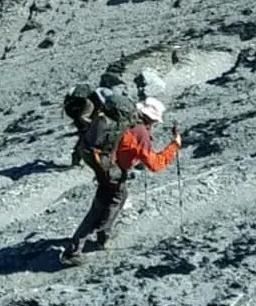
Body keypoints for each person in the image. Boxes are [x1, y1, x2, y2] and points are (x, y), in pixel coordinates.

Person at [61, 95, 180, 265]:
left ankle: (103, 235)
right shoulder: (141, 133)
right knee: (103, 206)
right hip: (112, 171)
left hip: (104, 164)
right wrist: (174, 145)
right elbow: (155, 164)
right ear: (152, 119)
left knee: (116, 198)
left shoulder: (127, 121)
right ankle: (73, 251)